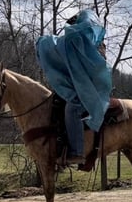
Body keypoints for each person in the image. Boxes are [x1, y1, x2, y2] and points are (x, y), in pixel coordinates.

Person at [35, 9, 112, 165]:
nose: (74, 28)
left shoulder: (96, 46)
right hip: (78, 87)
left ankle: (77, 152)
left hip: (92, 90)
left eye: (77, 24)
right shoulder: (72, 44)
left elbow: (98, 69)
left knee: (72, 108)